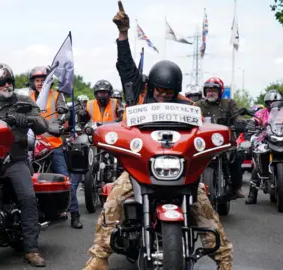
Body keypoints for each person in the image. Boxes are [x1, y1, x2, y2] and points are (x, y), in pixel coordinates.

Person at [83, 2, 233, 270]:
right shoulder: (138, 92)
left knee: (206, 210)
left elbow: (200, 130)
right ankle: (98, 258)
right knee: (113, 201)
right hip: (140, 167)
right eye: (159, 91)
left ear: (176, 91)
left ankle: (225, 261)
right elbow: (126, 66)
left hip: (180, 169)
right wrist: (123, 35)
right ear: (151, 86)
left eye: (168, 93)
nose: (162, 96)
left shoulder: (188, 106)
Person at [0, 63, 48, 267]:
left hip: (14, 158)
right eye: (0, 82)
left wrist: (27, 120)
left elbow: (42, 125)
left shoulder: (23, 101)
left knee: (28, 197)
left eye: (9, 81)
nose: (6, 85)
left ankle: (31, 249)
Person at [27, 66, 83, 229]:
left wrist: (61, 116)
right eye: (37, 80)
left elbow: (65, 112)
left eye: (43, 80)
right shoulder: (28, 97)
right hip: (32, 144)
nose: (40, 83)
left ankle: (75, 214)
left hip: (53, 144)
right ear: (33, 82)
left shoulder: (56, 95)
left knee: (64, 178)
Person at [245, 90, 283, 204]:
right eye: (269, 102)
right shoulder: (262, 112)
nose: (272, 104)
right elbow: (255, 119)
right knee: (257, 157)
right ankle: (252, 193)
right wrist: (251, 124)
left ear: (281, 102)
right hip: (266, 138)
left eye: (275, 101)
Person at [196, 77, 246, 199]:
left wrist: (241, 122)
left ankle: (236, 187)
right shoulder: (198, 105)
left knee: (237, 156)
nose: (211, 92)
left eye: (214, 90)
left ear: (220, 91)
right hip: (206, 142)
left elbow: (237, 116)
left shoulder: (228, 103)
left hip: (225, 142)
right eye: (208, 90)